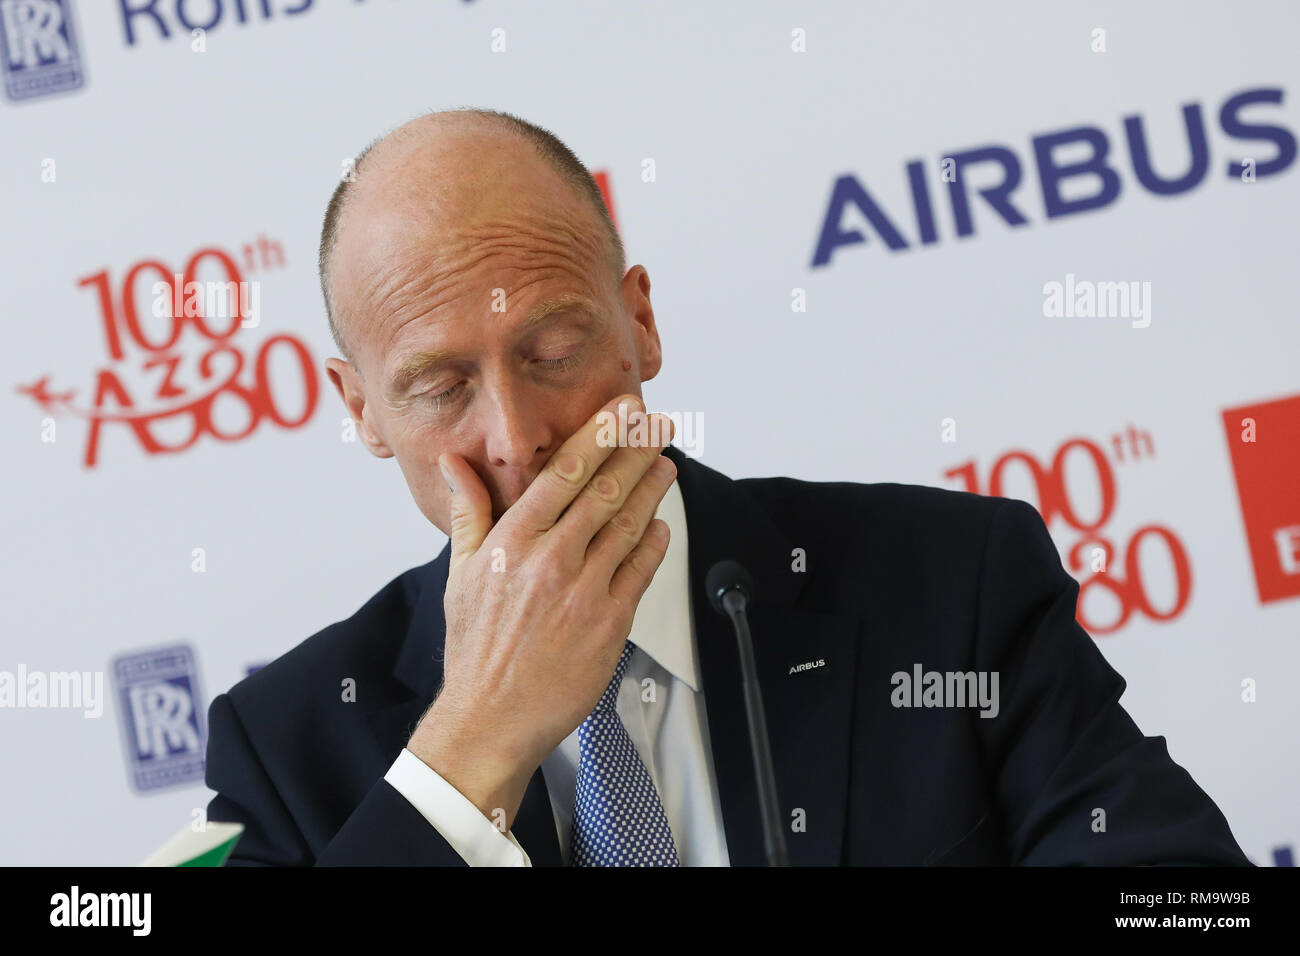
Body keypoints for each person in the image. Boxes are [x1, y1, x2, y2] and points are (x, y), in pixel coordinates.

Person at [204, 108, 1250, 866]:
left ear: (640, 325)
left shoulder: (948, 588)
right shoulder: (288, 744)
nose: (517, 439)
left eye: (555, 348)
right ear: (360, 411)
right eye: (438, 386)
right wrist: (472, 739)